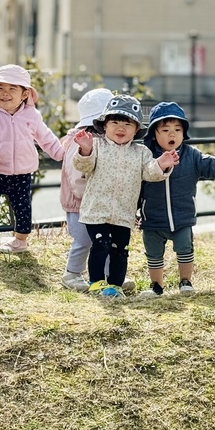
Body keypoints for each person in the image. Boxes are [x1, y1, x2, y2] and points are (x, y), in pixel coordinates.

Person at [72, 94, 179, 298]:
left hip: (123, 212)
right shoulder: (97, 146)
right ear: (104, 125)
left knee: (120, 249)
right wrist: (85, 150)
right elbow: (84, 166)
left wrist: (161, 164)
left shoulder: (141, 152)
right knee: (101, 244)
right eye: (115, 122)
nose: (121, 128)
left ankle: (115, 285)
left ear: (136, 129)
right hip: (96, 209)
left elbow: (150, 172)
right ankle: (96, 282)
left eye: (127, 123)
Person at [138, 102, 215, 297]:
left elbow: (212, 164)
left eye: (177, 129)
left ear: (184, 133)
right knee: (153, 254)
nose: (172, 134)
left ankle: (185, 281)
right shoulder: (145, 156)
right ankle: (156, 286)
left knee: (185, 250)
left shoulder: (191, 156)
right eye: (166, 130)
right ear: (154, 133)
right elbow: (134, 185)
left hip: (182, 217)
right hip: (152, 218)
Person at [0, 64, 64, 254]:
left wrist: (62, 155)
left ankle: (20, 241)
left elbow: (46, 138)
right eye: (0, 89)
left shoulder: (32, 116)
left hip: (22, 173)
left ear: (25, 94)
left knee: (23, 208)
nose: (5, 93)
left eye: (12, 89)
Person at [59, 88, 135, 293]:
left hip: (99, 205)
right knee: (84, 240)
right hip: (80, 203)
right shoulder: (83, 141)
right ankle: (72, 273)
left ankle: (111, 278)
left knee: (106, 241)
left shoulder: (107, 142)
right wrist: (93, 197)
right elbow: (78, 178)